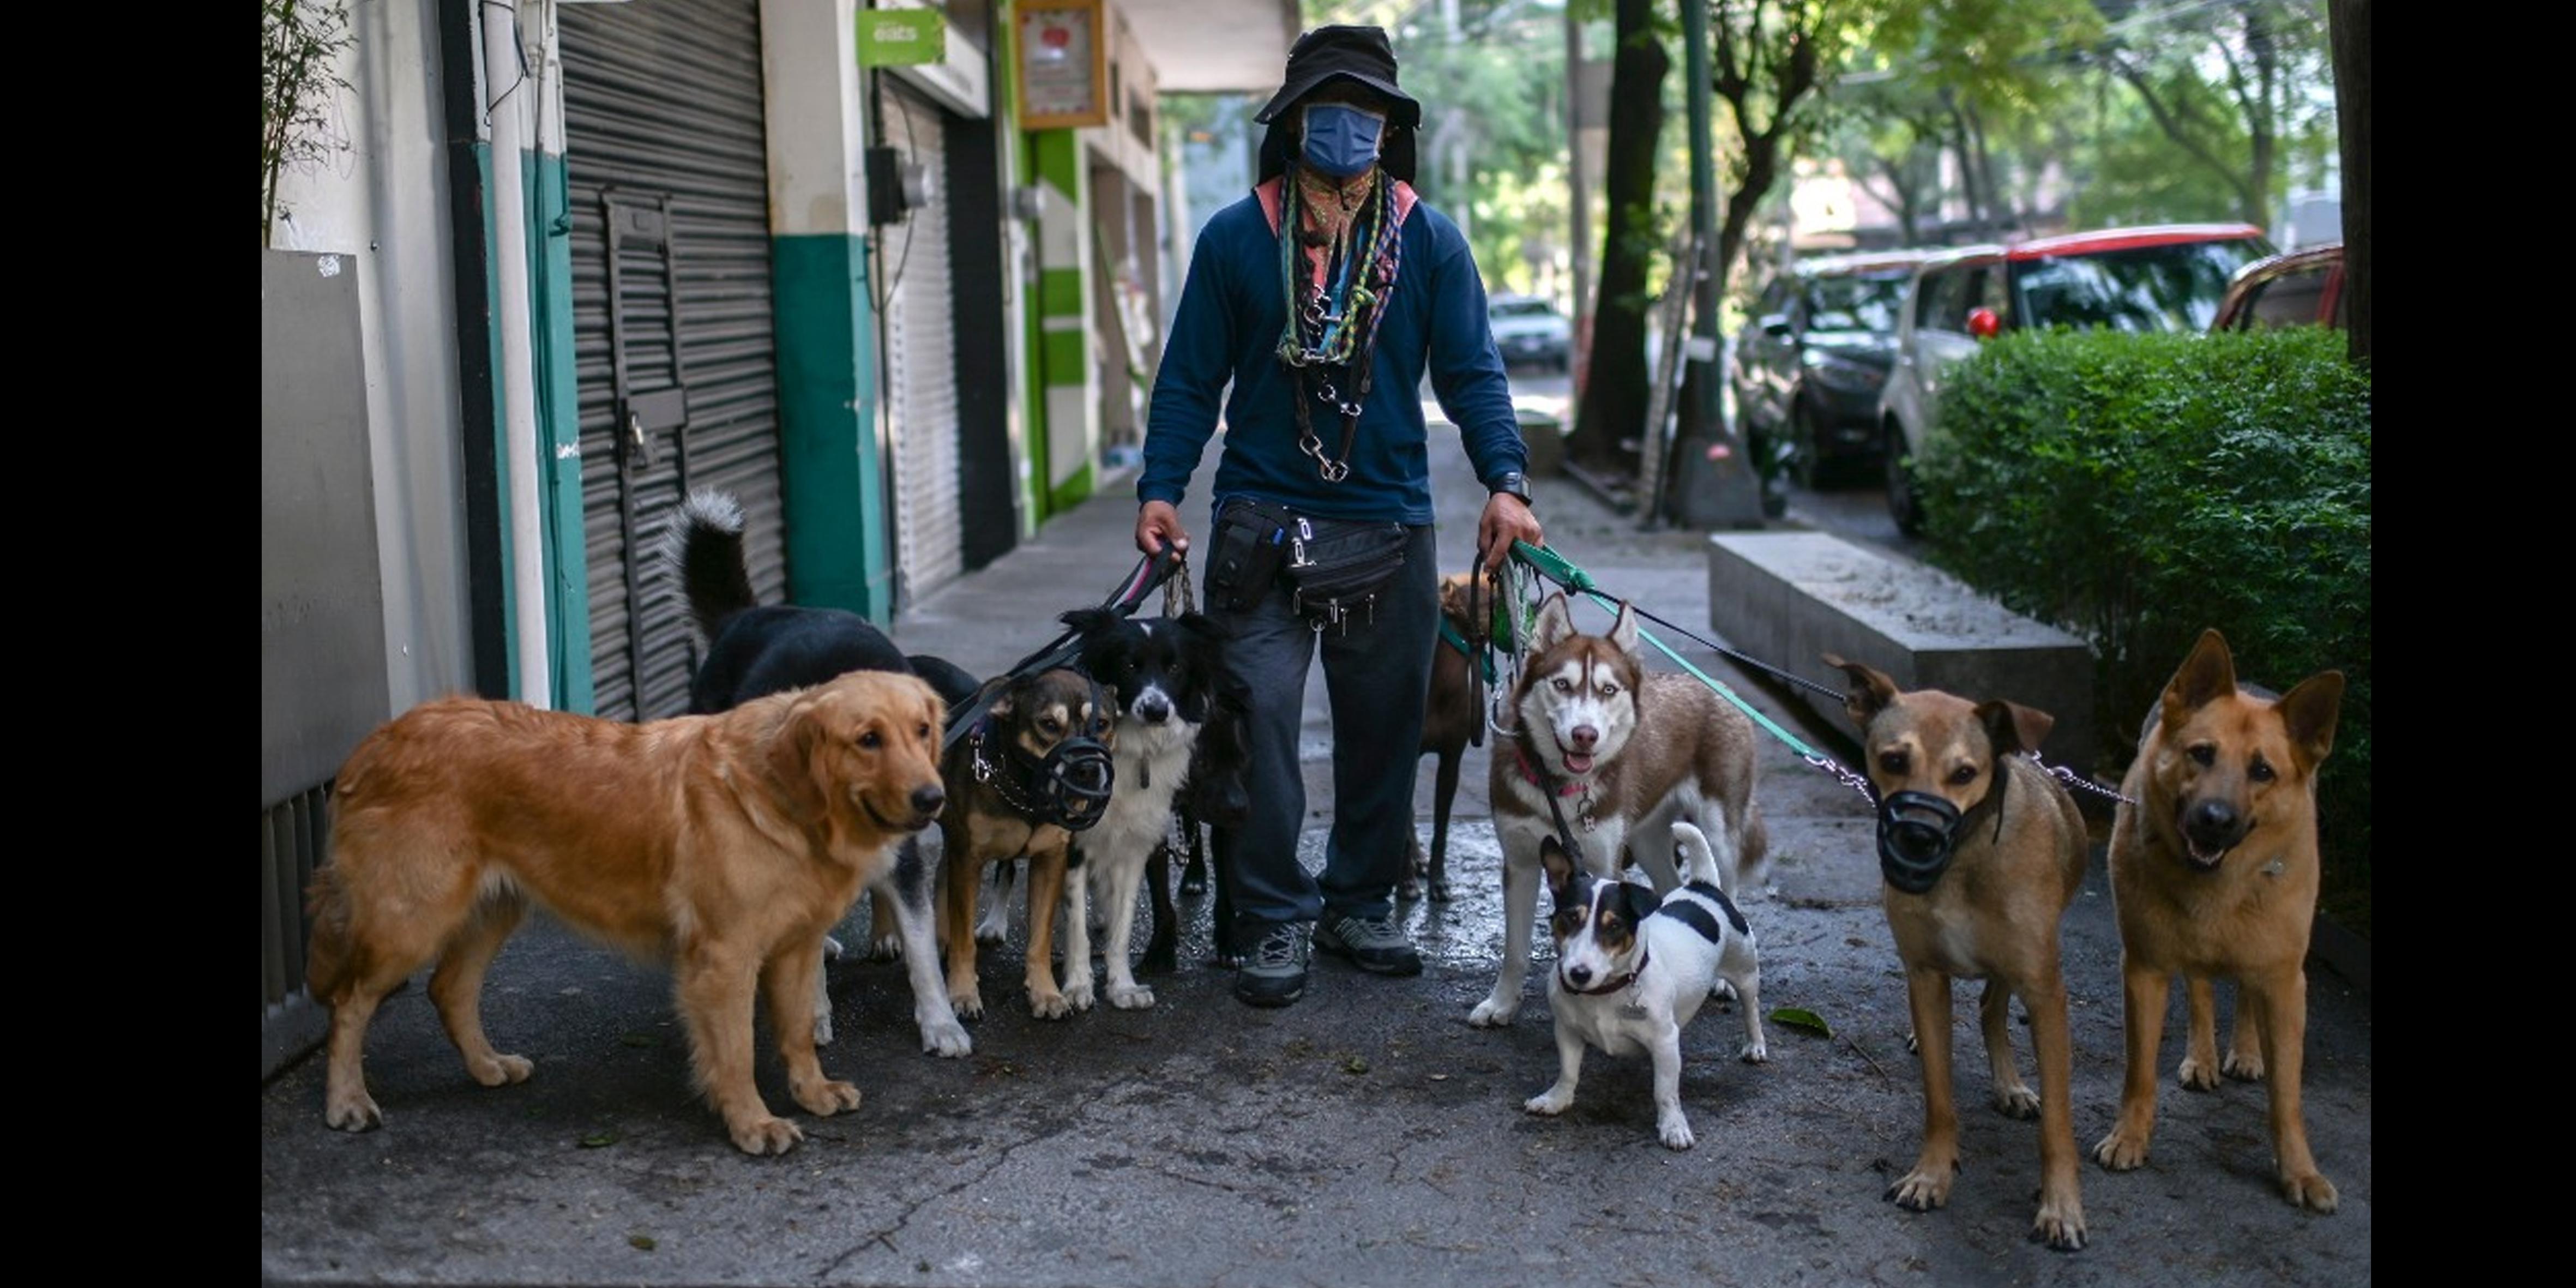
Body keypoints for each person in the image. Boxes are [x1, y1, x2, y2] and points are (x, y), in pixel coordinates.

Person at [1133, 24, 1544, 1008]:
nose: (1349, 129)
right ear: (1294, 121)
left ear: (1389, 127)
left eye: (1367, 113)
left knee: (1384, 725)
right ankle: (1271, 915)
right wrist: (1160, 484)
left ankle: (1363, 900)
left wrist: (1507, 481)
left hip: (1390, 520)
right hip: (1259, 522)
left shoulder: (1432, 242)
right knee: (1261, 716)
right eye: (1332, 109)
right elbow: (1191, 379)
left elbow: (1474, 373)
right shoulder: (1236, 238)